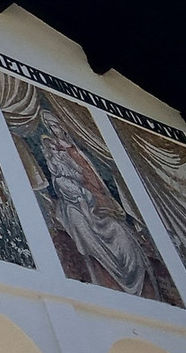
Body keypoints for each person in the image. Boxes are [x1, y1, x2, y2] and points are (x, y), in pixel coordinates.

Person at [40, 112, 150, 295]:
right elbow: (67, 182)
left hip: (94, 197)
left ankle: (132, 275)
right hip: (77, 203)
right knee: (83, 226)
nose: (55, 130)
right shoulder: (58, 164)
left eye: (56, 126)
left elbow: (88, 175)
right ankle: (104, 271)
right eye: (51, 128)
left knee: (118, 230)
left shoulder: (75, 152)